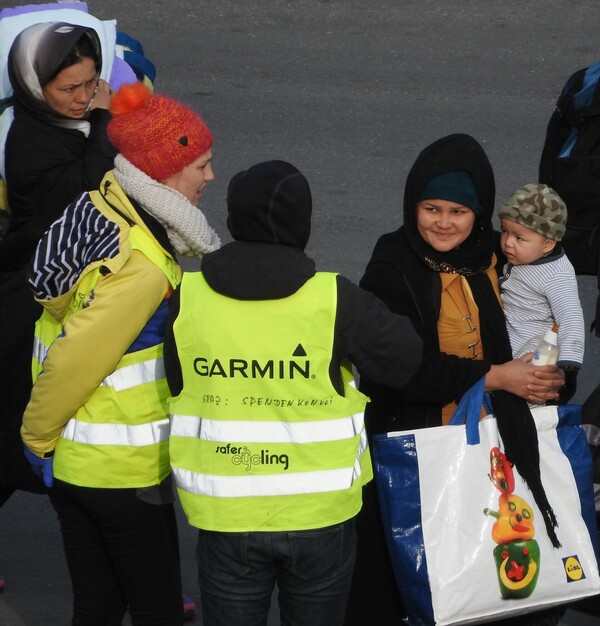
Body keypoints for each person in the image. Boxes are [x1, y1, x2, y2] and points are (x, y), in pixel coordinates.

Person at [163, 160, 425, 626]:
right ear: (300, 223)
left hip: (227, 515)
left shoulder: (189, 296)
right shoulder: (334, 298)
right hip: (319, 516)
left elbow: (179, 380)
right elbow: (404, 360)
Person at [345, 133, 566, 626]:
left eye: (458, 212)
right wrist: (497, 378)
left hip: (494, 446)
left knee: (495, 579)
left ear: (479, 213)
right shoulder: (391, 266)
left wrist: (546, 377)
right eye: (431, 208)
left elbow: (547, 317)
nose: (444, 223)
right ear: (412, 205)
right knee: (406, 577)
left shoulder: (498, 253)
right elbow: (400, 370)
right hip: (417, 449)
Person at [21, 82, 220, 625]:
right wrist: (35, 435)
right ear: (162, 172)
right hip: (121, 473)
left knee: (98, 606)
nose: (209, 177)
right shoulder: (145, 268)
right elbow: (77, 358)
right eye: (200, 165)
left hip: (74, 463)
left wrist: (46, 444)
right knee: (156, 610)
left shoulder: (101, 204)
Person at [0, 21, 114, 505]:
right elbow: (89, 188)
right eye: (69, 87)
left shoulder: (66, 123)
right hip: (30, 299)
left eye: (92, 82)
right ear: (32, 83)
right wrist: (107, 121)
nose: (84, 96)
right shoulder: (31, 141)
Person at [498, 183, 585, 403]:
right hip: (508, 358)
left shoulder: (555, 275)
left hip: (532, 367)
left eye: (519, 238)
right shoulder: (527, 256)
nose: (508, 242)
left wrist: (567, 371)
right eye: (504, 231)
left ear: (547, 244)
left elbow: (571, 319)